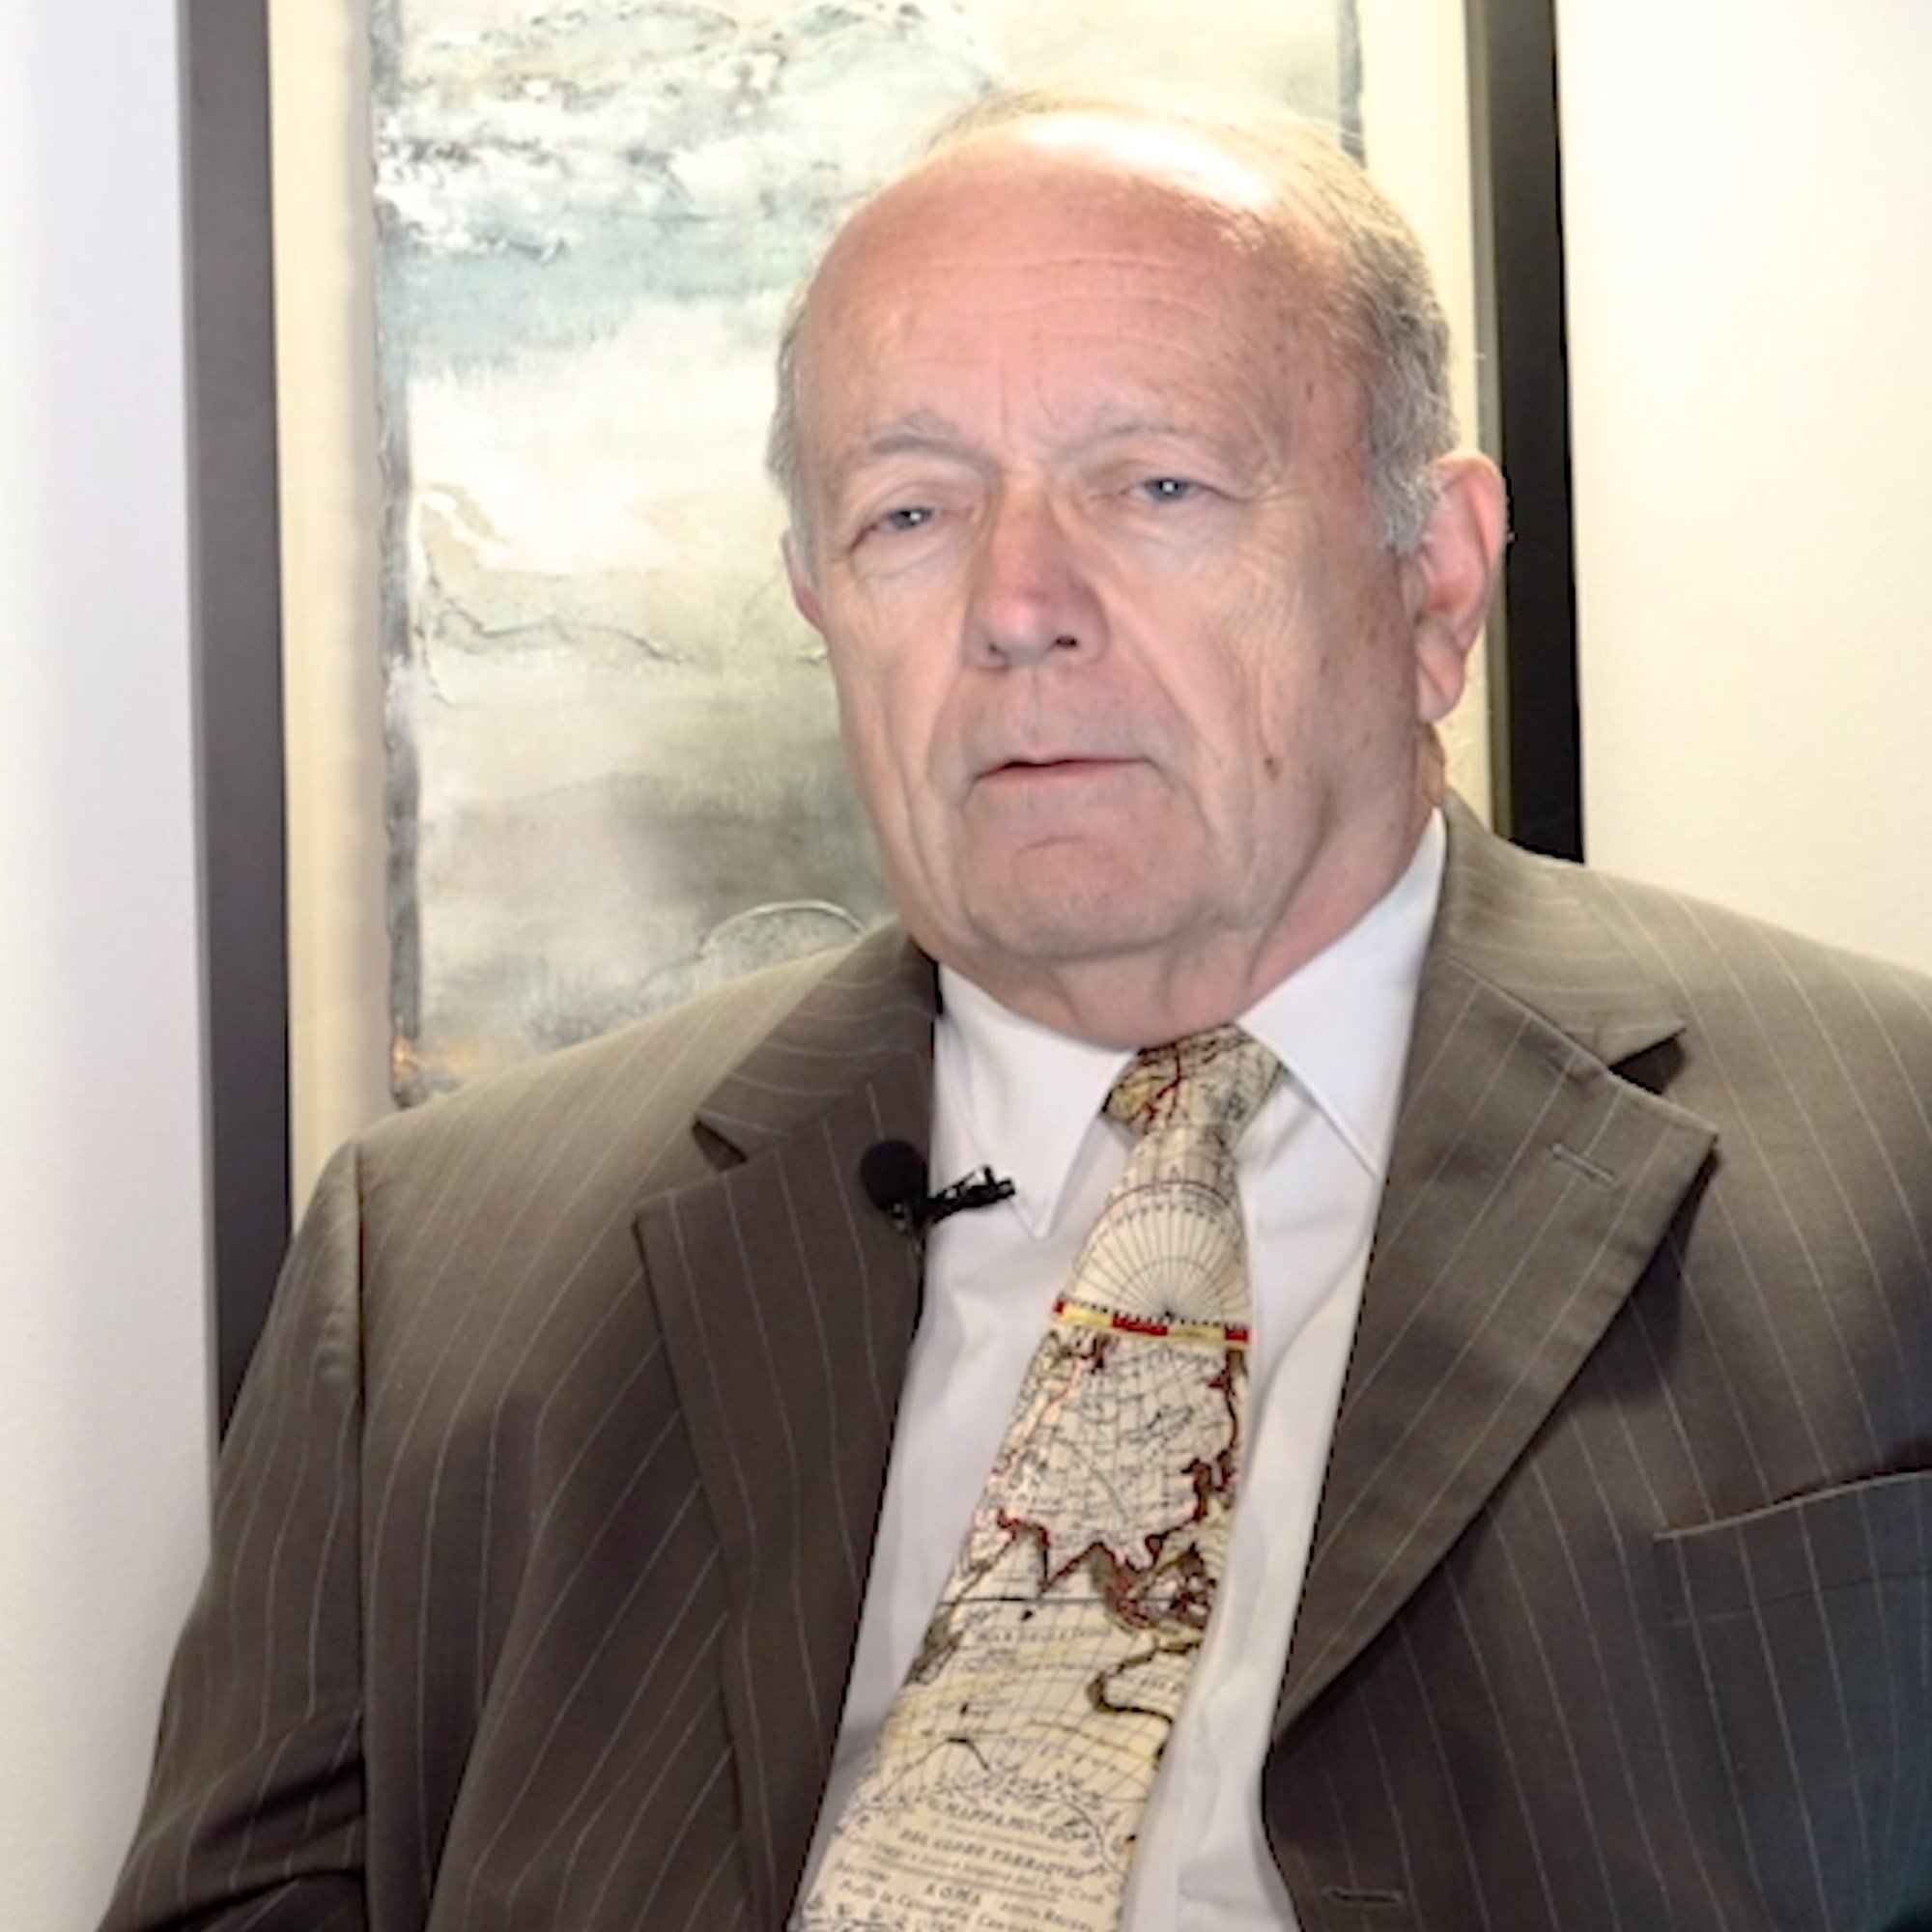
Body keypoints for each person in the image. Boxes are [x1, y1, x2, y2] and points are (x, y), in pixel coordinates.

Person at [101, 93, 1932, 1932]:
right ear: (820, 600)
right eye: (912, 511)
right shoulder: (435, 1266)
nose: (1019, 606)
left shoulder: (1894, 1162)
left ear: (1435, 576)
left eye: (1156, 486)